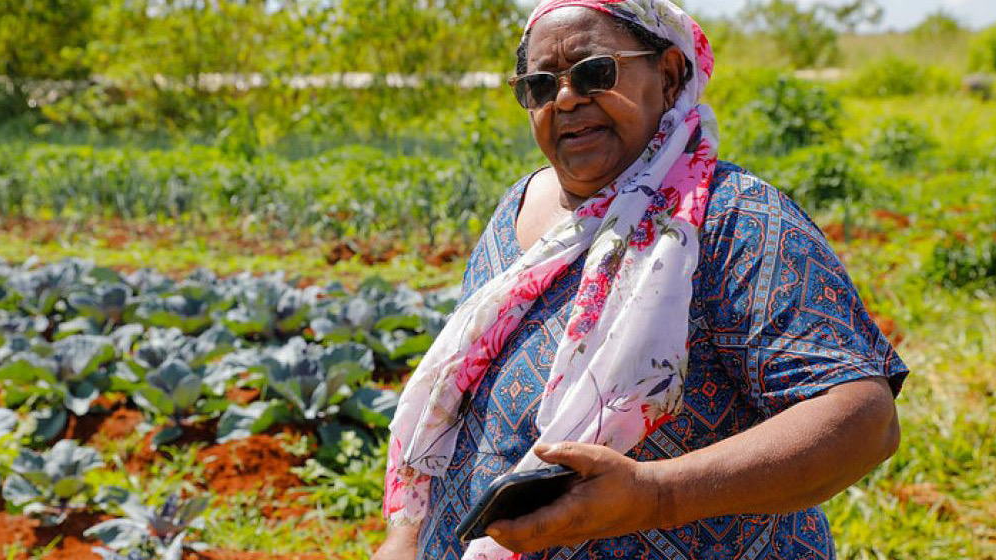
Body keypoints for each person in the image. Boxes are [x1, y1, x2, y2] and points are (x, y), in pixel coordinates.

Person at [375, 1, 907, 559]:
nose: (566, 98)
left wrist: (655, 496)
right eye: (538, 85)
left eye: (594, 72)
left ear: (670, 76)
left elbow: (862, 420)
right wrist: (406, 537)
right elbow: (455, 398)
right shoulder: (517, 209)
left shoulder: (733, 220)